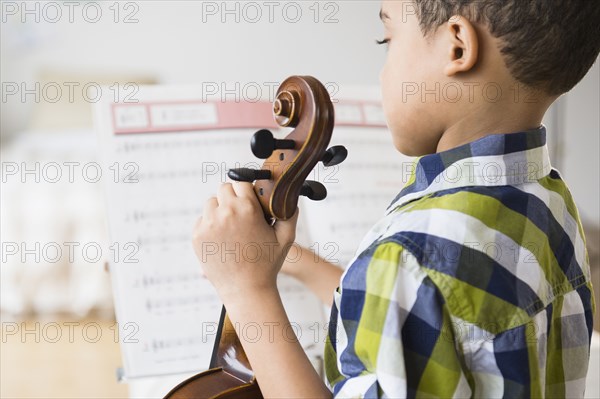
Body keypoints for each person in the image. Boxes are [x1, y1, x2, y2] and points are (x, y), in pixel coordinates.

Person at [192, 0, 599, 397]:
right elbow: (439, 317)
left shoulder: (408, 258)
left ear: (457, 47)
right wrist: (294, 261)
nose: (384, 72)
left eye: (387, 39)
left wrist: (248, 292)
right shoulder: (552, 204)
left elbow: (415, 285)